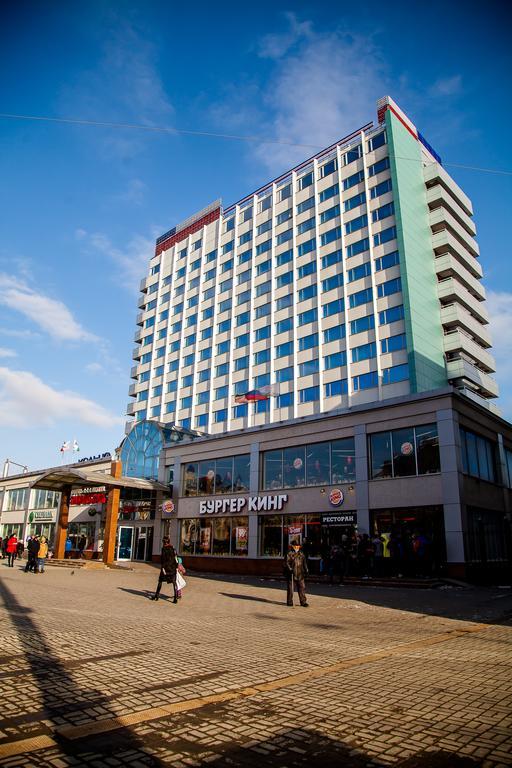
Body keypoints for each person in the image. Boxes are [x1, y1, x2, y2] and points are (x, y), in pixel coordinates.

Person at [151, 536, 178, 603]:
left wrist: (163, 568)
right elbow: (176, 557)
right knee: (174, 582)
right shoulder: (173, 548)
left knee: (160, 581)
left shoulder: (164, 549)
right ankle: (175, 598)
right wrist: (176, 566)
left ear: (164, 542)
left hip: (166, 568)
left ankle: (156, 596)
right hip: (173, 567)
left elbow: (163, 560)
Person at [284, 542, 309, 607]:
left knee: (302, 588)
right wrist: (290, 569)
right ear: (293, 546)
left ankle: (303, 602)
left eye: (298, 546)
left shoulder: (301, 553)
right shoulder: (289, 553)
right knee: (291, 589)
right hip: (292, 574)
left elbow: (304, 562)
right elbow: (286, 562)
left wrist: (306, 570)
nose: (297, 547)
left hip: (300, 574)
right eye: (295, 546)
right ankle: (289, 602)